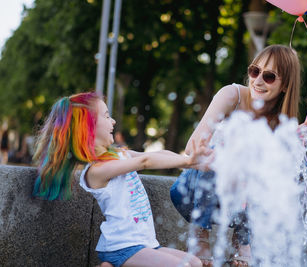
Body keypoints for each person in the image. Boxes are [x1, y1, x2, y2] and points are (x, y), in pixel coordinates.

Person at [170, 44, 307, 267]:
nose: (258, 81)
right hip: (193, 195)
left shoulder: (280, 121)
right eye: (254, 71)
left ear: (284, 85)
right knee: (220, 151)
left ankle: (242, 240)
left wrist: (289, 145)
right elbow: (192, 148)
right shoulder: (232, 95)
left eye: (269, 76)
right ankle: (199, 235)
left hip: (236, 208)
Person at [32, 92, 211, 267]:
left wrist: (193, 163)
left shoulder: (118, 154)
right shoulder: (96, 171)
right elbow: (145, 162)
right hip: (122, 247)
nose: (113, 121)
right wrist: (187, 161)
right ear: (89, 127)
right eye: (107, 116)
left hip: (144, 243)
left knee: (194, 262)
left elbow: (155, 154)